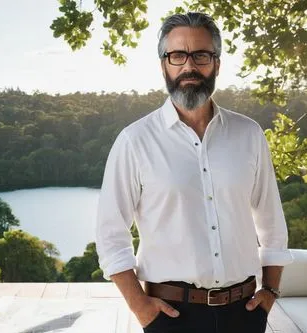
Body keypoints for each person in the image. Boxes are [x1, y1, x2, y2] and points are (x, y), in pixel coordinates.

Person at [95, 12, 293, 333]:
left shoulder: (249, 134)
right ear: (164, 65)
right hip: (171, 316)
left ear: (216, 63)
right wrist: (141, 308)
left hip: (245, 313)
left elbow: (271, 223)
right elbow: (110, 235)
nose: (189, 66)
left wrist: (270, 292)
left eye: (201, 55)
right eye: (177, 55)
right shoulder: (135, 140)